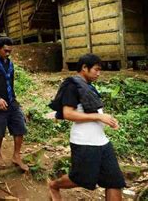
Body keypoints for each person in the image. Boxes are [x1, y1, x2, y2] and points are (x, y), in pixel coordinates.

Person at [47, 54, 125, 201]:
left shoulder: (87, 86)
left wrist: (107, 119)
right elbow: (68, 113)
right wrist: (99, 117)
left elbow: (87, 110)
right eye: (96, 69)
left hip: (102, 142)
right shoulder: (72, 85)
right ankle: (54, 185)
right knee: (80, 179)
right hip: (85, 142)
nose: (98, 73)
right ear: (84, 68)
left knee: (114, 182)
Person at [0, 37, 28, 171]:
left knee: (20, 127)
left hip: (11, 101)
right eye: (5, 50)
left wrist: (15, 101)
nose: (8, 53)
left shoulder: (10, 64)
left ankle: (16, 156)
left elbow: (11, 84)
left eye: (10, 51)